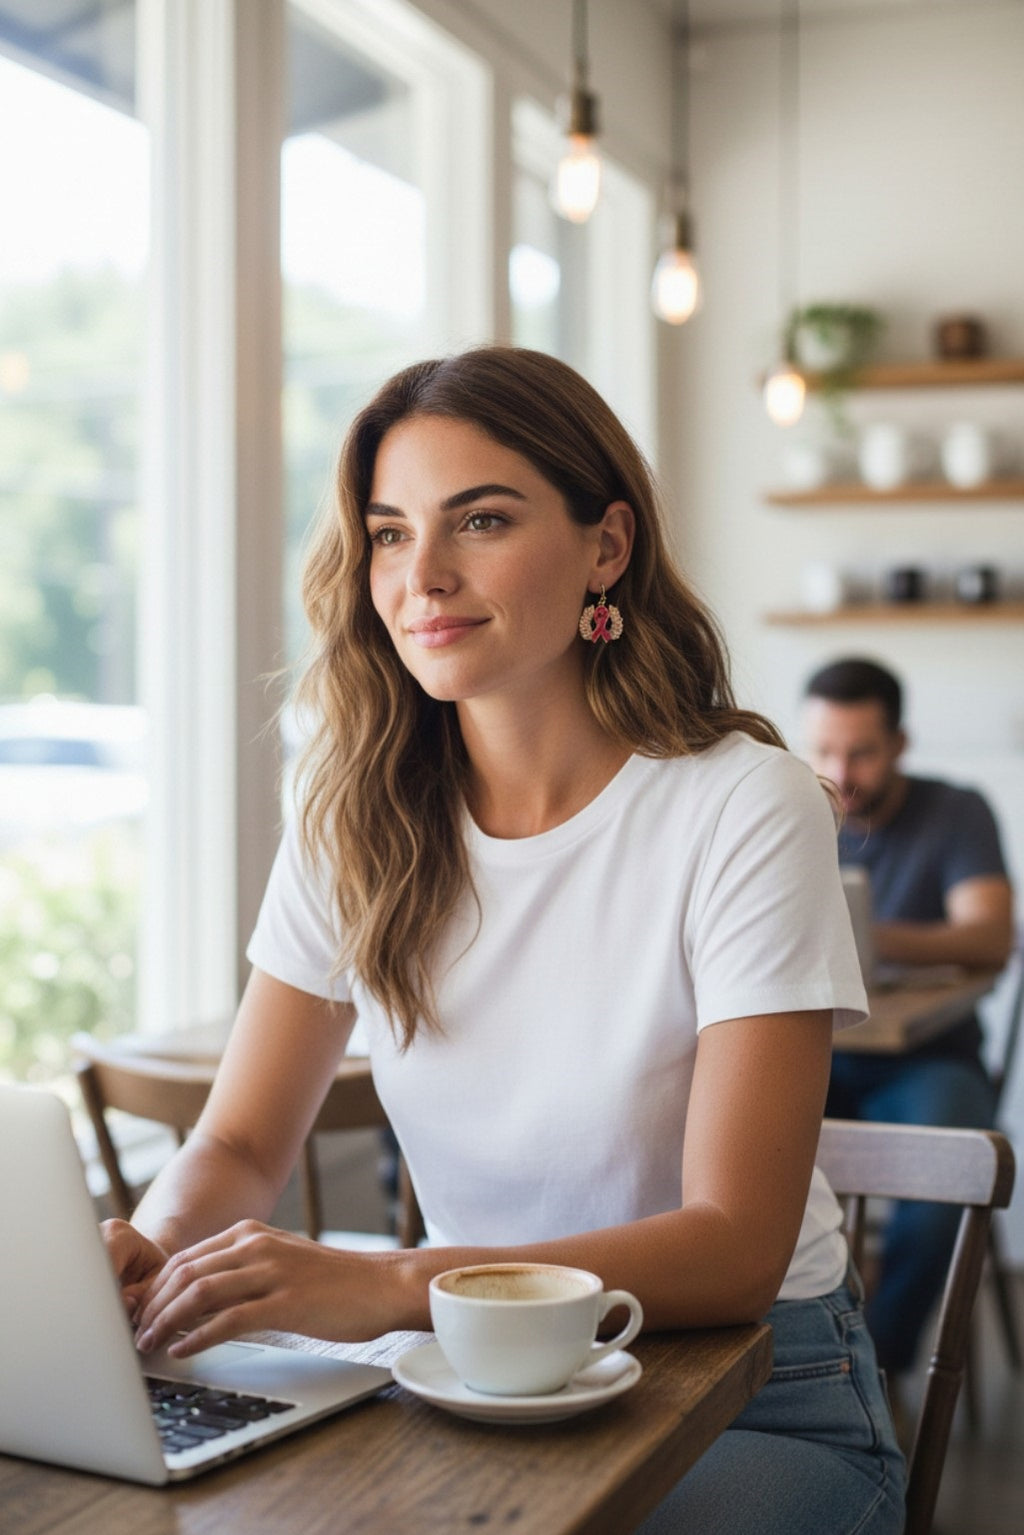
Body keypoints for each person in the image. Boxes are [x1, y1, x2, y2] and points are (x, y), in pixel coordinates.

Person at [103, 348, 904, 1533]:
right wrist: (151, 1263)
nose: (420, 572)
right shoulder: (355, 814)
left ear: (606, 546)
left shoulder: (745, 801)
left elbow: (734, 1246)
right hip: (459, 1372)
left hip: (749, 1389)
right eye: (386, 532)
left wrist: (385, 1283)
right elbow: (235, 1137)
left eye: (478, 519)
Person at [802, 656, 1014, 1384]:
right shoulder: (795, 811)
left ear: (899, 743)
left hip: (930, 1056)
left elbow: (990, 934)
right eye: (824, 749)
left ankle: (872, 1366)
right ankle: (796, 1358)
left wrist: (865, 934)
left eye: (860, 750)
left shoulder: (956, 811)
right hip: (813, 1055)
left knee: (948, 1177)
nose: (840, 770)